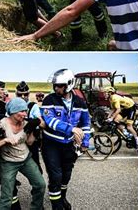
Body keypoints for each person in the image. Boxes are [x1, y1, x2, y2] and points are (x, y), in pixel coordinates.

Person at [41, 69, 91, 209]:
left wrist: (85, 142)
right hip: (51, 144)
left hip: (68, 145)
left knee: (66, 175)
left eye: (60, 85)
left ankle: (62, 197)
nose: (56, 88)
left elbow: (86, 123)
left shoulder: (80, 102)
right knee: (55, 176)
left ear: (69, 84)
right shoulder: (49, 99)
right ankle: (56, 206)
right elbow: (49, 120)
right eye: (55, 85)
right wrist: (71, 129)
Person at [0, 97, 45, 210]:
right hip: (8, 162)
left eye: (25, 111)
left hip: (26, 159)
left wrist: (35, 130)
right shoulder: (2, 124)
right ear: (12, 111)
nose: (24, 114)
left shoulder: (25, 123)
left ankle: (36, 207)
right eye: (21, 111)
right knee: (7, 196)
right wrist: (5, 140)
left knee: (40, 185)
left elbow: (29, 142)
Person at [16, 81, 43, 174]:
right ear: (16, 94)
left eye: (25, 94)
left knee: (35, 162)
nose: (23, 97)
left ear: (29, 94)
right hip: (16, 137)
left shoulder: (33, 106)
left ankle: (39, 184)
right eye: (20, 95)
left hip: (30, 137)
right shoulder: (12, 105)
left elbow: (40, 122)